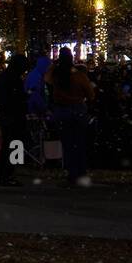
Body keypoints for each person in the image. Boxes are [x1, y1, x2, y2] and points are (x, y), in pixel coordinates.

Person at [46, 47, 95, 186]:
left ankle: (71, 174)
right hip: (78, 110)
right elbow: (91, 94)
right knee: (79, 143)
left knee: (67, 145)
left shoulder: (57, 75)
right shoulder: (78, 75)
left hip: (62, 111)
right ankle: (81, 172)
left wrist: (54, 64)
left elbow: (46, 79)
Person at [0, 53, 29, 186]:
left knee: (9, 145)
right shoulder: (13, 78)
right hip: (14, 116)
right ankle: (9, 174)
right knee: (14, 144)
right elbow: (13, 98)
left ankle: (7, 174)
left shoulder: (5, 77)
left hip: (8, 115)